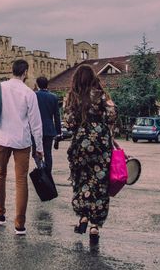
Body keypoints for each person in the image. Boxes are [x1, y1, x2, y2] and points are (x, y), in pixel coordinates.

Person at [0, 59, 43, 235]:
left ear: (12, 71)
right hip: (22, 141)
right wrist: (38, 147)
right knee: (21, 180)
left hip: (1, 138)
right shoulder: (29, 93)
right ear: (25, 72)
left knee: (0, 174)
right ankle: (20, 224)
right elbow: (36, 124)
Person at [64, 64, 117, 243]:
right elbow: (111, 116)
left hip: (81, 143)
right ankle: (95, 225)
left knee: (81, 180)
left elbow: (69, 123)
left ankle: (83, 217)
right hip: (101, 142)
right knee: (100, 182)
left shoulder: (72, 97)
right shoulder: (101, 95)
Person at [34, 76, 63, 174]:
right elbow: (57, 116)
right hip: (49, 128)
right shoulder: (53, 97)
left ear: (37, 84)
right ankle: (48, 173)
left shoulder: (34, 95)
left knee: (36, 152)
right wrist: (58, 132)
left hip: (36, 128)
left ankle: (40, 168)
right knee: (48, 153)